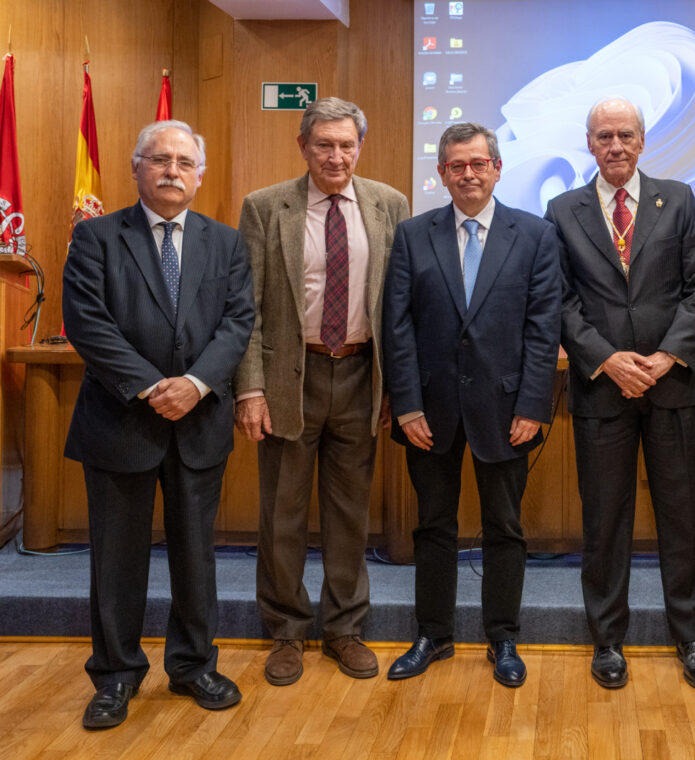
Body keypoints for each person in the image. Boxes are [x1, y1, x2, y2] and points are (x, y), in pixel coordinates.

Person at [62, 120, 254, 729]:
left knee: (196, 555)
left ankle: (195, 666)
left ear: (199, 174)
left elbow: (237, 323)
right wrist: (152, 387)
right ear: (136, 167)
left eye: (184, 162)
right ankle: (115, 676)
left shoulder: (225, 243)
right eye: (160, 159)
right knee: (116, 559)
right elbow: (88, 324)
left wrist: (194, 385)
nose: (173, 170)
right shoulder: (95, 237)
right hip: (121, 421)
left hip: (198, 424)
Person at [233, 97, 409, 686]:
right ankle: (285, 631)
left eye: (347, 145)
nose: (337, 156)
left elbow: (398, 307)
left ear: (360, 146)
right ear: (304, 146)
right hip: (292, 378)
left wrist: (397, 388)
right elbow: (247, 307)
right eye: (325, 145)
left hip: (361, 376)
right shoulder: (265, 207)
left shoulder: (389, 204)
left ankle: (344, 629)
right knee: (282, 514)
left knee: (349, 514)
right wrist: (250, 389)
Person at [545, 97, 695, 690]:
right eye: (603, 136)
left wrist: (667, 355)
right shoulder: (561, 209)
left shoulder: (681, 198)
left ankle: (691, 636)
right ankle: (607, 639)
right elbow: (559, 299)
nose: (615, 145)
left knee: (681, 517)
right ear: (587, 143)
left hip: (673, 387)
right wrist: (606, 358)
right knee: (605, 521)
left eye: (625, 134)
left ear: (643, 140)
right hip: (601, 389)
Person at [382, 122, 561, 687]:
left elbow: (542, 328)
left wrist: (533, 404)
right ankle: (432, 634)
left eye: (478, 163)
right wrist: (406, 405)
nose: (468, 174)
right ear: (441, 174)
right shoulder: (413, 235)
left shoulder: (534, 235)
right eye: (456, 166)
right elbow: (397, 327)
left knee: (504, 528)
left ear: (497, 168)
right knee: (432, 526)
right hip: (429, 413)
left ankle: (502, 637)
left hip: (509, 411)